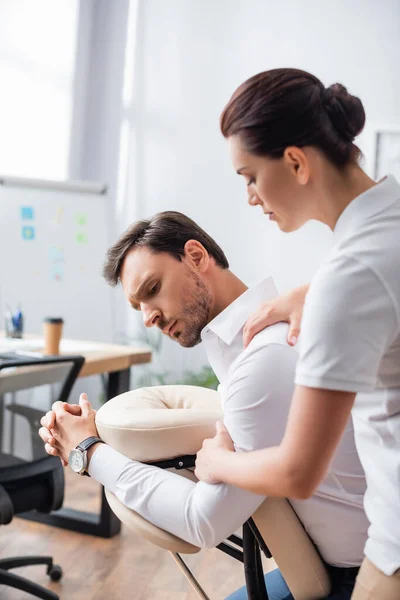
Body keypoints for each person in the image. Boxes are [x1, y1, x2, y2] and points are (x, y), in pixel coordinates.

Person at [39, 211, 368, 600]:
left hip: (359, 578)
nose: (149, 317)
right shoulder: (249, 353)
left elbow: (202, 521)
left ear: (196, 256)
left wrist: (89, 452)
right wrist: (96, 434)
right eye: (138, 306)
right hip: (319, 564)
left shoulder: (265, 359)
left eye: (153, 288)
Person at [194, 68, 400, 599]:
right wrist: (312, 291)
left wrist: (219, 462)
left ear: (294, 162)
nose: (249, 197)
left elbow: (297, 473)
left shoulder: (349, 279)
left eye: (249, 176)